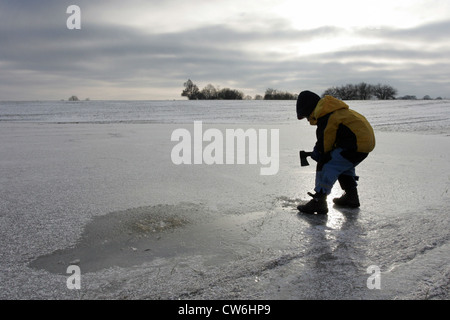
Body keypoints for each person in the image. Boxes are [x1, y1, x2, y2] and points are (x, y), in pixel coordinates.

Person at [296, 90, 375, 214]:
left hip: (354, 144)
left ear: (310, 109)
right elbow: (330, 138)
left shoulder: (327, 117)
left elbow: (325, 143)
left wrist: (318, 153)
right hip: (363, 145)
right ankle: (351, 197)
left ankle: (319, 201)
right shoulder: (333, 111)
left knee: (327, 163)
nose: (307, 120)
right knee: (342, 165)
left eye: (306, 116)